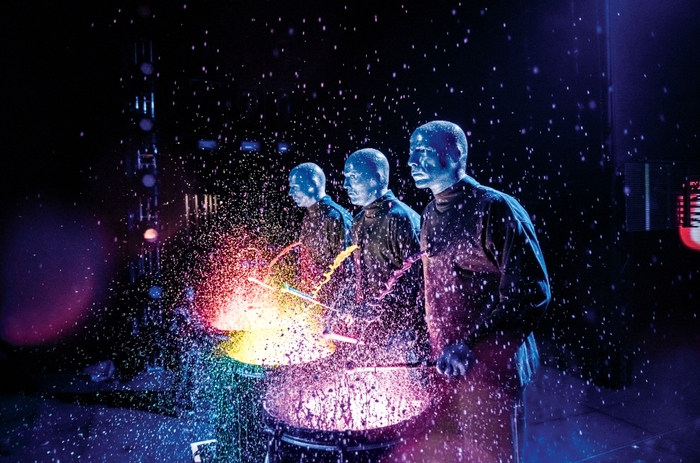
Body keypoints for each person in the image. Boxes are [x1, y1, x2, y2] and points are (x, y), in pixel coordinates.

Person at [399, 120, 551, 463]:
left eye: (422, 152)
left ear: (454, 154)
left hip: (491, 371)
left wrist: (472, 346)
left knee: (493, 456)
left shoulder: (494, 207)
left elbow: (531, 293)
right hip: (448, 366)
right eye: (410, 153)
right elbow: (435, 286)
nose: (410, 162)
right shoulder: (429, 213)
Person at [339, 148, 427, 364]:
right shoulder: (358, 221)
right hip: (373, 331)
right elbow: (359, 274)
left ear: (376, 178)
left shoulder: (401, 218)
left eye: (353, 177)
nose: (345, 185)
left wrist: (379, 309)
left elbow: (419, 283)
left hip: (403, 335)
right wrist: (350, 304)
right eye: (345, 177)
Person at [288, 162, 353, 302]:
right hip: (313, 301)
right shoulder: (309, 216)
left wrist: (340, 307)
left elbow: (350, 271)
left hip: (332, 305)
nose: (290, 193)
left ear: (312, 184)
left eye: (295, 187)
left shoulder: (336, 218)